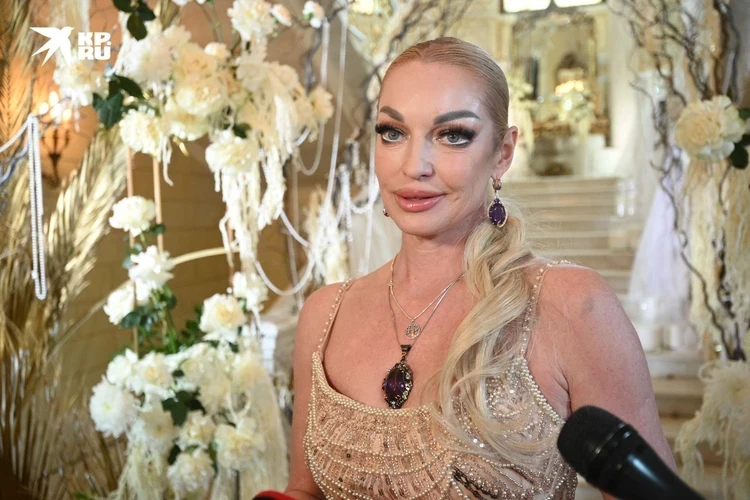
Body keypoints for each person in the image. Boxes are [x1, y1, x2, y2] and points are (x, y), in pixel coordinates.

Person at [284, 37, 675, 499]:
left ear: (503, 153)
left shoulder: (571, 306)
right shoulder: (324, 315)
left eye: (452, 135)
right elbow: (303, 492)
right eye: (393, 132)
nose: (414, 166)